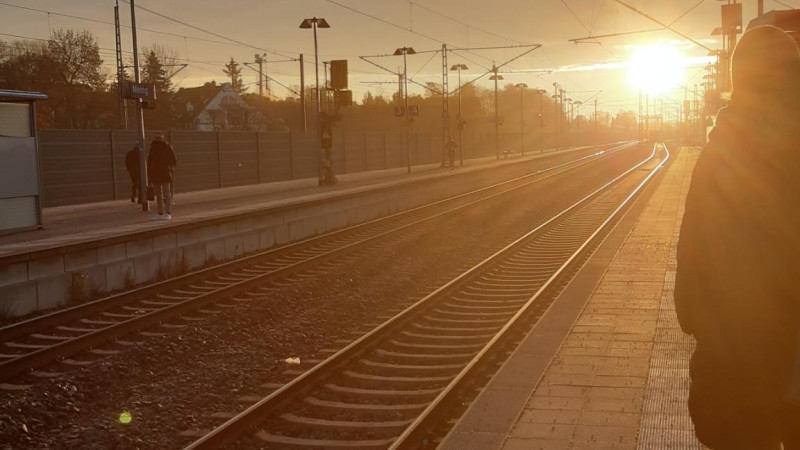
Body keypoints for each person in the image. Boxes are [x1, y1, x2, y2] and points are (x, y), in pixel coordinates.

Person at [675, 25, 800, 449]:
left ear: (738, 82)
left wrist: (703, 321)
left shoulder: (720, 158)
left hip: (736, 361)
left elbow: (693, 261)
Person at [146, 133, 177, 220]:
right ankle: (160, 213)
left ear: (163, 138)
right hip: (156, 174)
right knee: (159, 195)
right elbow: (150, 162)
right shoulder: (153, 148)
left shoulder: (167, 147)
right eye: (156, 138)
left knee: (166, 194)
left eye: (159, 137)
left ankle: (168, 213)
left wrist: (169, 168)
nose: (158, 139)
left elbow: (173, 160)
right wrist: (150, 175)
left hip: (165, 173)